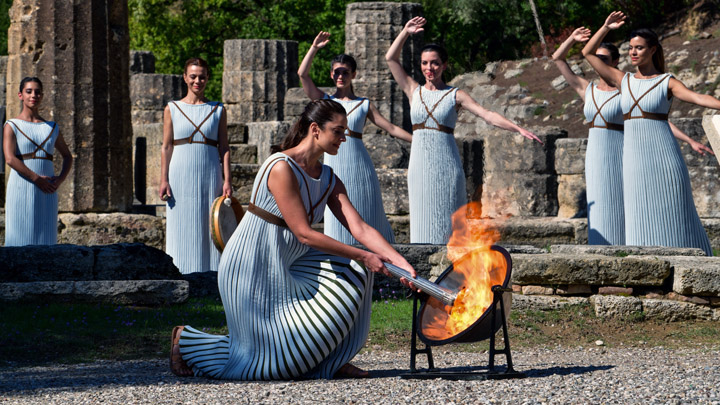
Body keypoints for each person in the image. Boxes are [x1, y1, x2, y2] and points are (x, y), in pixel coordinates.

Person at [170, 99, 418, 380]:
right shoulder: (281, 167)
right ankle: (187, 340)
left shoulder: (328, 177)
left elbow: (359, 227)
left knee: (355, 272)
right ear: (315, 129)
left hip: (290, 263)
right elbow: (304, 233)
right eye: (337, 131)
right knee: (267, 365)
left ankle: (331, 360)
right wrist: (363, 254)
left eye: (344, 131)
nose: (343, 138)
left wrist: (401, 264)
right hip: (252, 265)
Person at [385, 17, 542, 244]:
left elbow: (486, 114)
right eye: (425, 63)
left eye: (435, 63)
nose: (429, 68)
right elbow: (391, 58)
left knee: (448, 220)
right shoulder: (413, 91)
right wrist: (405, 32)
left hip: (446, 164)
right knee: (421, 220)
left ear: (445, 65)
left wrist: (517, 128)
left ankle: (451, 269)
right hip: (419, 166)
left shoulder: (455, 95)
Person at [552, 27, 712, 245]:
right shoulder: (620, 81)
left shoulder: (662, 82)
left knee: (674, 214)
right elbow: (585, 54)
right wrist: (605, 27)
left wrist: (692, 138)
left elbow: (695, 100)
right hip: (626, 160)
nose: (634, 52)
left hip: (658, 156)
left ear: (653, 49)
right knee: (635, 217)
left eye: (639, 48)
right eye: (631, 48)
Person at [297, 31, 412, 245]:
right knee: (337, 212)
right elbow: (303, 75)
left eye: (346, 72)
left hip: (361, 166)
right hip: (334, 164)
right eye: (337, 72)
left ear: (354, 75)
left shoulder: (364, 104)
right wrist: (314, 48)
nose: (341, 76)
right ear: (332, 75)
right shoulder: (325, 102)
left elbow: (390, 127)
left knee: (366, 210)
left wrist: (417, 140)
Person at [159, 57, 232, 274]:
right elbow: (166, 147)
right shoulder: (172, 108)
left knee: (210, 223)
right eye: (193, 76)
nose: (197, 81)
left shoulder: (218, 109)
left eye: (201, 77)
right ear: (185, 78)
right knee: (182, 223)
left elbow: (225, 148)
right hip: (180, 172)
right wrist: (164, 180)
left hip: (210, 171)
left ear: (208, 78)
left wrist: (228, 180)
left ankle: (212, 276)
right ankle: (179, 272)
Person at [3, 77, 72, 246]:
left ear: (42, 96)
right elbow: (10, 158)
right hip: (21, 185)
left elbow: (67, 156)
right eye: (29, 91)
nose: (34, 95)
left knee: (46, 235)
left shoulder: (52, 127)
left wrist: (60, 179)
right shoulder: (12, 125)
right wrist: (36, 179)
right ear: (20, 95)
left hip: (47, 189)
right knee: (19, 237)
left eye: (37, 92)